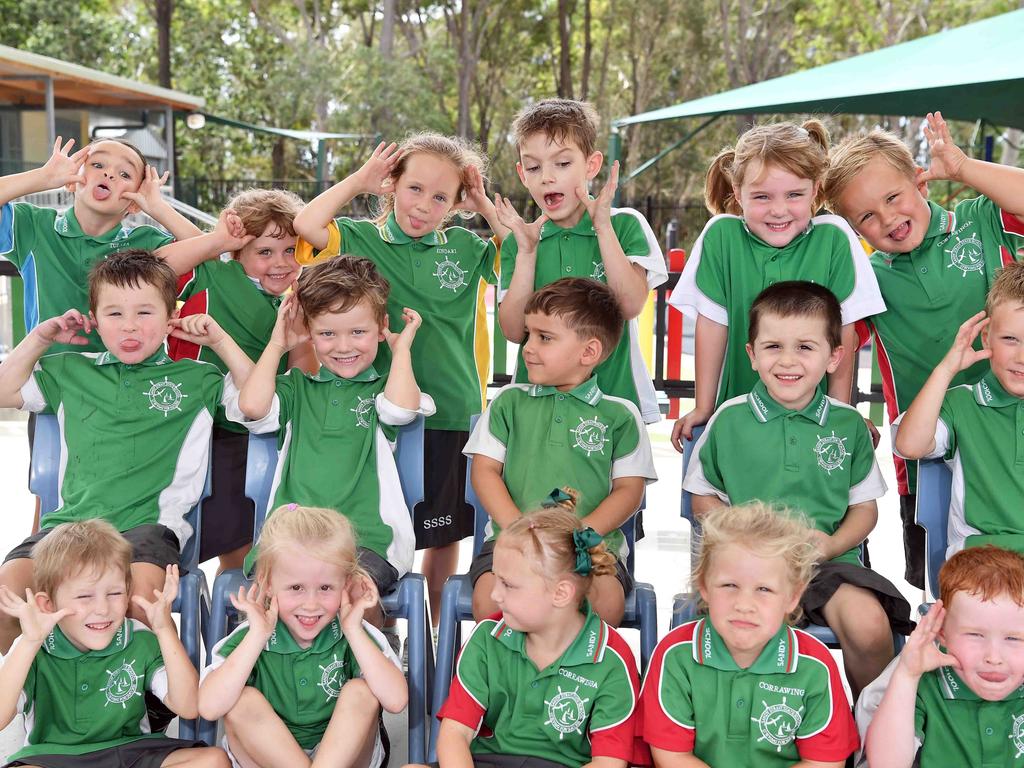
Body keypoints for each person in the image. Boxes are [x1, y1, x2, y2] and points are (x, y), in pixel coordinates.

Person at [293, 133, 507, 628]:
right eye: (414, 189)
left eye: (441, 197)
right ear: (391, 186)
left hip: (451, 410)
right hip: (373, 413)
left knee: (441, 531)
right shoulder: (359, 237)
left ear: (456, 205)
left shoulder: (468, 247)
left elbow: (519, 249)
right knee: (379, 527)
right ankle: (382, 628)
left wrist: (482, 204)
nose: (424, 206)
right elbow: (306, 223)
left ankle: (433, 634)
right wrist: (358, 181)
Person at [0, 250, 256, 653]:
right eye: (114, 314)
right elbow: (4, 391)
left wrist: (220, 342)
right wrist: (39, 338)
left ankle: (140, 708)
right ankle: (52, 697)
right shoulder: (70, 370)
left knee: (136, 608)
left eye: (145, 312)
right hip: (68, 527)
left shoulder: (199, 378)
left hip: (147, 531)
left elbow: (259, 405)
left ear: (171, 314)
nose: (130, 327)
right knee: (6, 603)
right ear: (95, 319)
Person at [823, 111, 1024, 589]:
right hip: (926, 458)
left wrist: (962, 167)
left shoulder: (982, 221)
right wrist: (841, 412)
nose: (888, 219)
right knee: (942, 586)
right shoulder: (866, 279)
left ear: (920, 182)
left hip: (1012, 444)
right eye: (866, 216)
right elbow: (839, 350)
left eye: (893, 197)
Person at [684, 281, 912, 698]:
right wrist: (745, 539)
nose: (787, 361)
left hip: (828, 563)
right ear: (752, 355)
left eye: (805, 347)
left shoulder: (848, 427)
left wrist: (830, 544)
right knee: (743, 627)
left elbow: (865, 510)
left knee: (870, 625)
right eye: (773, 347)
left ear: (833, 357)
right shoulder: (729, 420)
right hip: (747, 567)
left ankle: (871, 733)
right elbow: (703, 498)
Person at [231, 255, 434, 626]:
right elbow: (253, 406)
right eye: (327, 334)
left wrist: (400, 350)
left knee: (356, 596)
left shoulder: (382, 392)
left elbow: (403, 410)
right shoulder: (296, 388)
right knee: (266, 600)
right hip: (292, 536)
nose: (343, 346)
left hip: (367, 538)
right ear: (308, 331)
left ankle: (366, 666)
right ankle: (274, 677)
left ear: (380, 328)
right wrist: (277, 344)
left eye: (358, 332)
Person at [669, 119, 884, 451]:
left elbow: (843, 335)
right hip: (738, 415)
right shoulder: (721, 236)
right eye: (762, 196)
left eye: (794, 194)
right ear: (737, 193)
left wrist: (841, 412)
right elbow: (712, 326)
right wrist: (704, 406)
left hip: (815, 420)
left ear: (815, 189)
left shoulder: (834, 238)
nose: (779, 210)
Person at [464, 278, 656, 625]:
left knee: (605, 601)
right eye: (528, 334)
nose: (528, 347)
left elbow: (630, 491)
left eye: (544, 337)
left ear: (588, 353)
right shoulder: (508, 403)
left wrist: (580, 533)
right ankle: (510, 676)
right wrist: (517, 528)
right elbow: (484, 470)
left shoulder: (620, 416)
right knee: (489, 598)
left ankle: (576, 677)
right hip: (511, 542)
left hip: (591, 547)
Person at [410, 498, 644, 768]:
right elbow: (454, 735)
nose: (494, 594)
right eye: (495, 578)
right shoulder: (487, 638)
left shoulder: (611, 660)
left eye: (508, 585)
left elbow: (608, 764)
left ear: (561, 593)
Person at [640, 502, 858, 767]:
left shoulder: (815, 665)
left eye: (764, 589)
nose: (744, 605)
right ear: (704, 588)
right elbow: (671, 756)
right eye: (729, 585)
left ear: (792, 597)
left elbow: (823, 762)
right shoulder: (675, 655)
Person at [168, 189, 317, 573]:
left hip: (246, 433)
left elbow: (303, 377)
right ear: (238, 252)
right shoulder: (215, 274)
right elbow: (155, 268)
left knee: (242, 538)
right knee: (186, 533)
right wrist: (213, 240)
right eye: (265, 252)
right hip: (188, 424)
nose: (280, 263)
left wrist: (302, 335)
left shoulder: (296, 302)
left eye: (290, 251)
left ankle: (232, 614)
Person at [0, 519, 228, 767]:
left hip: (128, 751)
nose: (102, 609)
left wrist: (164, 630)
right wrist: (30, 642)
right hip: (53, 757)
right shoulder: (33, 647)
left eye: (115, 593)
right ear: (48, 604)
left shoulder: (139, 638)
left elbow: (188, 706)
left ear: (128, 592)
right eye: (85, 596)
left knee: (212, 761)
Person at [495, 98, 667, 427]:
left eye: (562, 163)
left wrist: (603, 228)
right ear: (522, 174)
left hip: (614, 403)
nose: (546, 177)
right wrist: (527, 254)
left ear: (591, 165)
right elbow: (514, 331)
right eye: (533, 167)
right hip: (535, 412)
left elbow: (630, 305)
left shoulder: (624, 225)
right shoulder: (523, 241)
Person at [200, 504, 406, 768]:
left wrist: (354, 631)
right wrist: (257, 637)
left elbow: (397, 700)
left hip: (340, 760)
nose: (311, 604)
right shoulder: (251, 635)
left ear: (346, 584)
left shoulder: (355, 632)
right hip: (267, 759)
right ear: (267, 582)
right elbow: (208, 707)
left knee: (361, 693)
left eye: (325, 588)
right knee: (241, 701)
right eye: (296, 587)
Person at [0, 137, 205, 356]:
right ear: (72, 181)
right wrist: (42, 177)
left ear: (135, 202)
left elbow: (208, 257)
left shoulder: (148, 243)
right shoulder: (34, 226)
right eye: (98, 165)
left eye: (125, 174)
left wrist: (157, 207)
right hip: (47, 378)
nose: (109, 174)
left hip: (129, 379)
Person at [892, 261, 1024, 556]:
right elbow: (910, 445)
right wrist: (946, 369)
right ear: (986, 337)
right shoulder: (961, 402)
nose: (1021, 357)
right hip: (981, 559)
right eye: (1010, 339)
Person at [859, 546, 1024, 768]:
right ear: (942, 633)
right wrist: (907, 676)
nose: (993, 657)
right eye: (975, 635)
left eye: (1013, 639)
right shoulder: (924, 682)